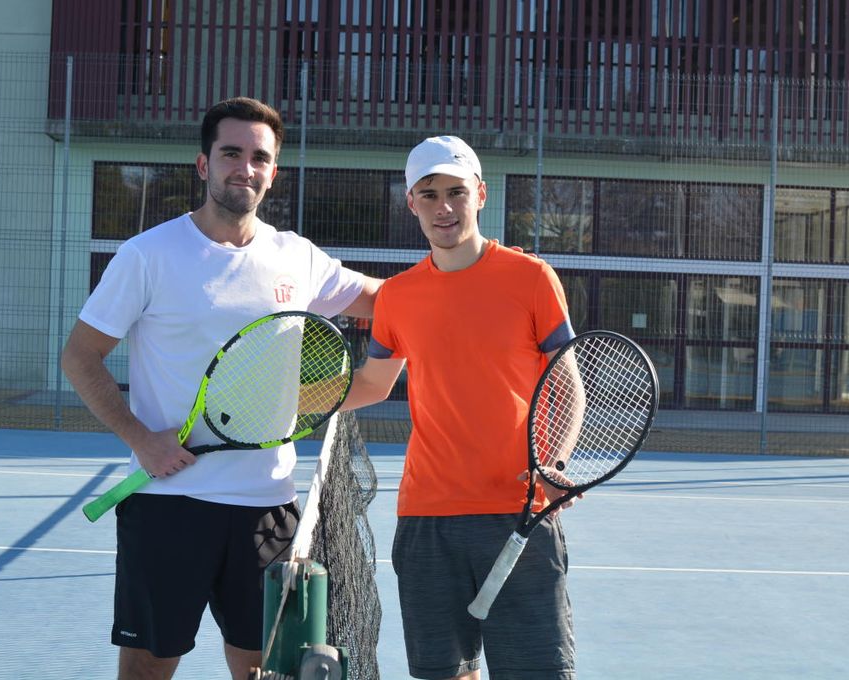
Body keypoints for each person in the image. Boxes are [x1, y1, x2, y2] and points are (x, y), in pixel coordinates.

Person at [61, 96, 381, 680]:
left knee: (263, 670)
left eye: (260, 157)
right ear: (203, 164)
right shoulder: (148, 256)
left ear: (273, 171)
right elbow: (80, 357)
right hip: (167, 507)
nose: (246, 167)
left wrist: (475, 274)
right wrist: (142, 439)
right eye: (231, 153)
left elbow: (392, 303)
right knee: (145, 669)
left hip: (268, 505)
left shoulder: (297, 258)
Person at [341, 135, 578, 680]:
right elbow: (373, 383)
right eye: (429, 194)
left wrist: (555, 463)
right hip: (427, 518)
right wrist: (293, 403)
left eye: (455, 192)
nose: (443, 207)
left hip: (518, 511)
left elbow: (566, 383)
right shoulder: (397, 296)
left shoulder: (531, 277)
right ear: (411, 203)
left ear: (480, 194)